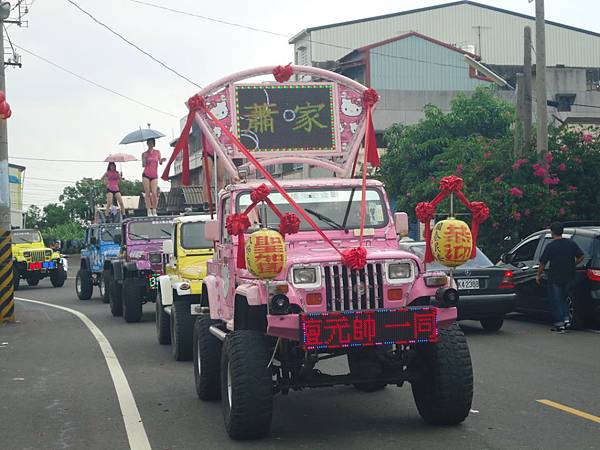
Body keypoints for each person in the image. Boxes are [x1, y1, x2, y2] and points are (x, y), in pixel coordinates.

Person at [536, 222, 584, 333]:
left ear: (552, 232)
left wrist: (538, 275)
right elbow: (581, 256)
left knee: (556, 300)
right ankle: (567, 320)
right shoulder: (571, 244)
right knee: (564, 299)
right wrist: (573, 265)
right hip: (569, 276)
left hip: (555, 277)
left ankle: (559, 324)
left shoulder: (551, 246)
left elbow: (543, 263)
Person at [142, 138, 166, 216]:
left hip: (154, 175)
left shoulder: (157, 152)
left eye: (152, 142)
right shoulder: (145, 153)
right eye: (149, 143)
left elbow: (160, 162)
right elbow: (143, 165)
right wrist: (144, 159)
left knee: (154, 193)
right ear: (147, 144)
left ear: (154, 144)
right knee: (147, 193)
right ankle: (149, 210)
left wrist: (162, 160)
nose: (150, 144)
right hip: (146, 174)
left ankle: (154, 209)